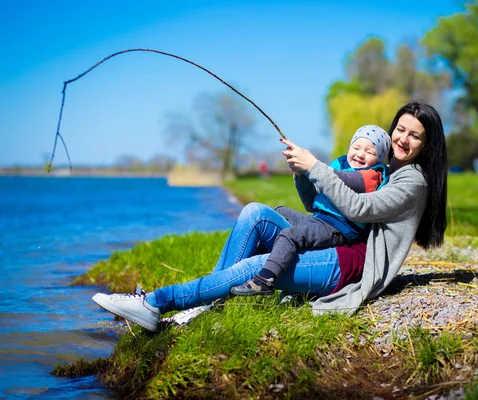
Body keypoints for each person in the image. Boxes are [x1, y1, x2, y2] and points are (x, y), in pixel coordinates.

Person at [92, 101, 448, 331]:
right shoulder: (388, 171)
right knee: (255, 214)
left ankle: (154, 303)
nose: (403, 139)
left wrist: (316, 166)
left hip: (351, 262)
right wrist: (302, 171)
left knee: (255, 266)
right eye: (400, 129)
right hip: (335, 240)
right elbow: (318, 209)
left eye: (414, 135)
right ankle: (204, 304)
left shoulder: (412, 180)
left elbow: (357, 209)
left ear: (426, 145)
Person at [230, 125, 391, 296]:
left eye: (369, 152)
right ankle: (257, 258)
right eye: (356, 147)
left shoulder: (373, 175)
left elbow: (347, 179)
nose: (360, 154)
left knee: (291, 234)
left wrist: (312, 164)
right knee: (279, 212)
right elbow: (312, 200)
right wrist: (300, 172)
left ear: (379, 158)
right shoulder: (340, 163)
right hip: (319, 219)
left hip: (338, 229)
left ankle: (265, 280)